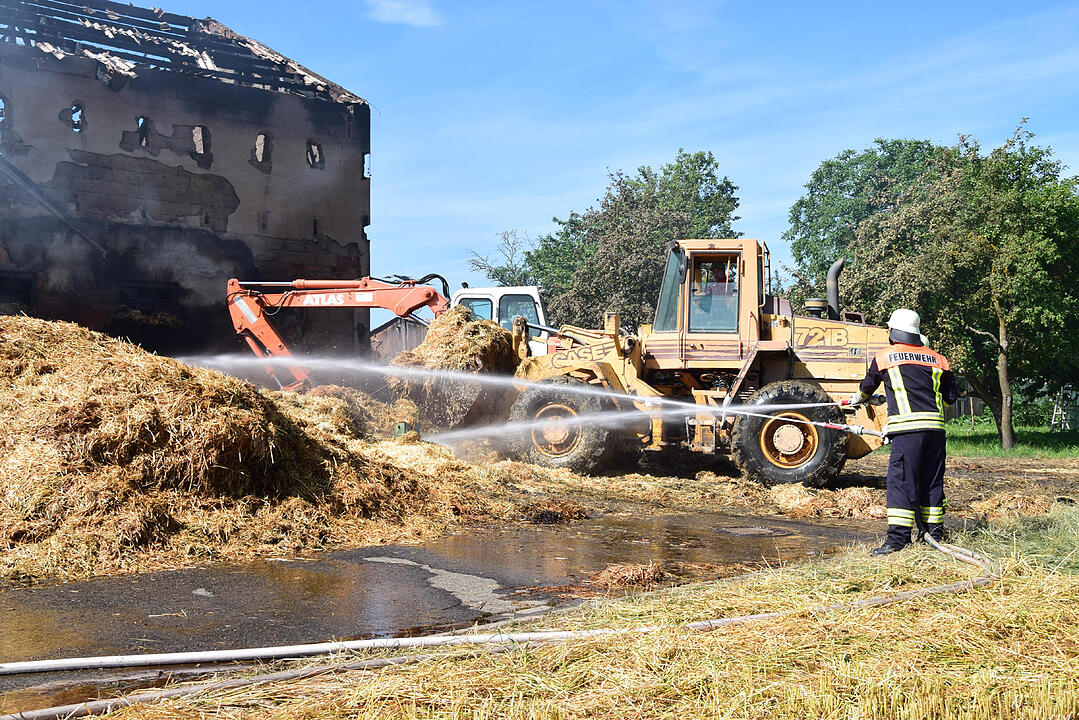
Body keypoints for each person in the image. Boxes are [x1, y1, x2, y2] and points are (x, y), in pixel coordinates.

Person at [851, 308, 958, 556]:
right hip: (935, 430)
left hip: (907, 431)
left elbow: (867, 387)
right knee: (931, 481)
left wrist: (859, 398)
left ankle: (897, 540)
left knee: (901, 482)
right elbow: (950, 398)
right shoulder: (939, 359)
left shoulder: (885, 357)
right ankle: (933, 535)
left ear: (892, 331)